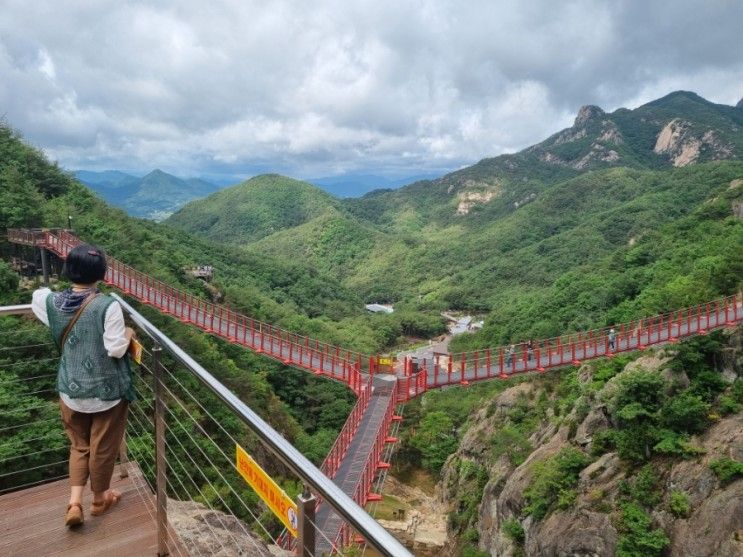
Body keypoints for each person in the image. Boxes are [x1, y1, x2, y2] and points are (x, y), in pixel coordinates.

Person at [32, 244, 136, 527]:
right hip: (106, 394)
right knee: (102, 447)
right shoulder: (107, 305)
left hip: (70, 389)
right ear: (101, 274)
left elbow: (38, 295)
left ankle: (74, 502)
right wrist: (128, 332)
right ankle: (100, 500)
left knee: (79, 446)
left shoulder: (50, 302)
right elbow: (115, 349)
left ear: (68, 270)